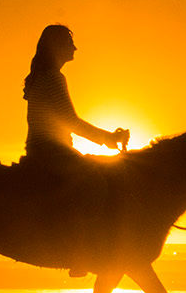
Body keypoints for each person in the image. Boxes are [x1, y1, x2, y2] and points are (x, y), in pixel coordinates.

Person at [19, 25, 127, 274]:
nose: (74, 47)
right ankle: (80, 253)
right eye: (69, 43)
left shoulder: (41, 76)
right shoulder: (53, 78)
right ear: (57, 47)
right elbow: (70, 121)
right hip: (51, 150)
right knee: (95, 184)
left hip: (41, 148)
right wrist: (108, 138)